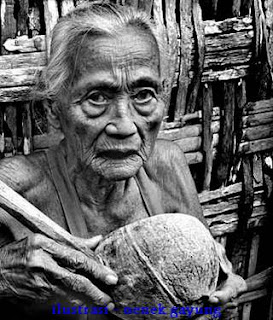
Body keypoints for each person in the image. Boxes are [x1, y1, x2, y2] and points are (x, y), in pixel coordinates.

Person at [0, 2, 246, 320]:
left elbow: (210, 281)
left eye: (143, 94)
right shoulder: (12, 193)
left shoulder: (168, 164)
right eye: (97, 97)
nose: (125, 126)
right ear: (52, 111)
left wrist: (218, 296)